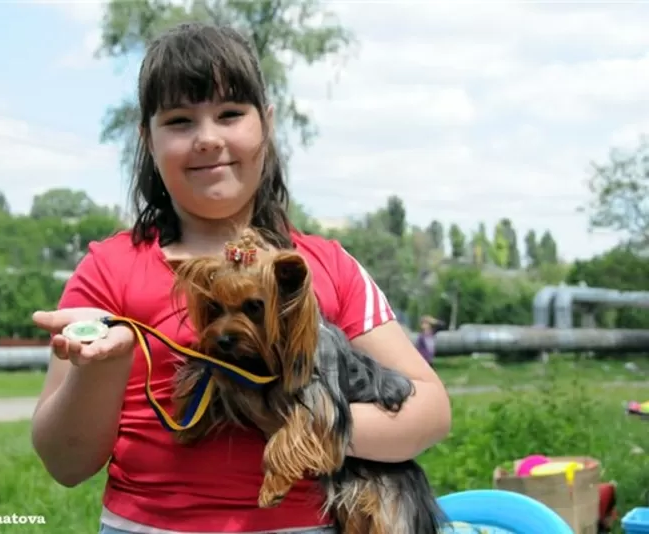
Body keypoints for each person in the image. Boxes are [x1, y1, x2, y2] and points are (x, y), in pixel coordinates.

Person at [30, 22, 452, 534]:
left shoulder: (327, 267)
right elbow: (65, 463)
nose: (208, 139)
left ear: (266, 124)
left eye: (230, 114)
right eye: (181, 121)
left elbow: (430, 412)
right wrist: (101, 367)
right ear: (147, 138)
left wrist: (296, 420)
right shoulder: (109, 270)